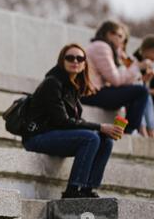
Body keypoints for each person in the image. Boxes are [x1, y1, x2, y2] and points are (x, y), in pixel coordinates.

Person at [22, 44, 124, 199]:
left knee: (106, 140)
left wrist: (101, 130)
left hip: (56, 135)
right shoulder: (52, 83)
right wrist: (100, 126)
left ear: (84, 64)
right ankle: (72, 190)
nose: (75, 61)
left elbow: (74, 121)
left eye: (80, 58)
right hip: (37, 137)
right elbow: (61, 121)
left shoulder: (72, 86)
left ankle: (87, 189)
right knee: (91, 137)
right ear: (62, 61)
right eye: (70, 58)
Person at [80, 21, 152, 134]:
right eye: (118, 35)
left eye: (122, 37)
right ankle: (128, 131)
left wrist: (139, 74)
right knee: (141, 92)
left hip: (95, 92)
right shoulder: (101, 47)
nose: (121, 40)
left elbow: (125, 76)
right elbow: (116, 80)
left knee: (137, 91)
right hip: (90, 94)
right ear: (108, 34)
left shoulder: (107, 48)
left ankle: (127, 129)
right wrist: (138, 66)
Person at [132, 35, 154, 138]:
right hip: (136, 96)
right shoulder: (136, 61)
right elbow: (139, 86)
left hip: (148, 99)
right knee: (144, 94)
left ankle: (152, 134)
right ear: (147, 49)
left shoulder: (148, 64)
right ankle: (149, 133)